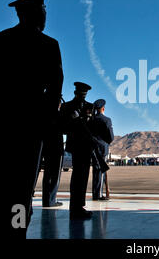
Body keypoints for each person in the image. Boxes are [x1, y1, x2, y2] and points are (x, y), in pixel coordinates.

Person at [0, 0, 64, 238]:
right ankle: (16, 234)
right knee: (22, 188)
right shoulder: (49, 45)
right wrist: (43, 118)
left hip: (1, 123)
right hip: (31, 125)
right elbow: (55, 88)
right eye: (44, 10)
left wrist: (3, 103)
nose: (46, 15)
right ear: (37, 13)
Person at [61, 82, 94, 219]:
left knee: (84, 176)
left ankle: (79, 206)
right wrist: (72, 120)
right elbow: (62, 128)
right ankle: (75, 208)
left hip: (86, 146)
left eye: (84, 94)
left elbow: (92, 127)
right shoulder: (66, 107)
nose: (82, 96)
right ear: (75, 93)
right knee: (77, 177)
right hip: (75, 145)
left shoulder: (89, 107)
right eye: (80, 93)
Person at [40, 99, 65, 207]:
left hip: (46, 148)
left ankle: (46, 199)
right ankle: (51, 200)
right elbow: (65, 129)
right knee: (55, 175)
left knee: (47, 175)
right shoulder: (59, 115)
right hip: (56, 148)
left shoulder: (44, 114)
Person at [90, 99, 114, 201]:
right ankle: (98, 194)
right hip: (102, 147)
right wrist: (105, 143)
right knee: (100, 170)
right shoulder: (106, 120)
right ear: (103, 109)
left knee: (96, 170)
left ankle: (97, 192)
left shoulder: (91, 120)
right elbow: (111, 137)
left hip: (92, 147)